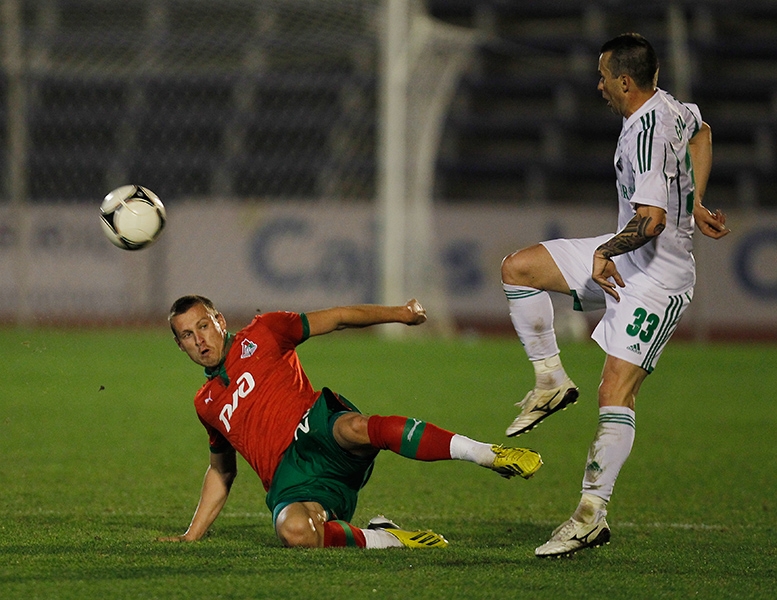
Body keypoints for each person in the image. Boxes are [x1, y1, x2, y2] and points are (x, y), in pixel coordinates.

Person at [500, 33, 730, 558]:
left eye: (603, 76)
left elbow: (649, 220)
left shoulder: (645, 132)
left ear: (624, 82)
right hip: (626, 260)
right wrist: (697, 197)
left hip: (657, 280)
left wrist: (607, 249)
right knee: (519, 269)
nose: (598, 85)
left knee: (614, 393)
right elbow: (703, 132)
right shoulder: (669, 105)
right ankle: (550, 379)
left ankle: (590, 514)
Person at [159, 295, 542, 549]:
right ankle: (386, 539)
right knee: (295, 532)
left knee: (354, 427)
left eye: (204, 326)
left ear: (220, 320)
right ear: (180, 346)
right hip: (289, 480)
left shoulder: (265, 331)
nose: (199, 340)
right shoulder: (206, 404)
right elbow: (221, 472)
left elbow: (339, 318)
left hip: (316, 430)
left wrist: (400, 314)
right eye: (187, 336)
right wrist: (192, 535)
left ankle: (487, 454)